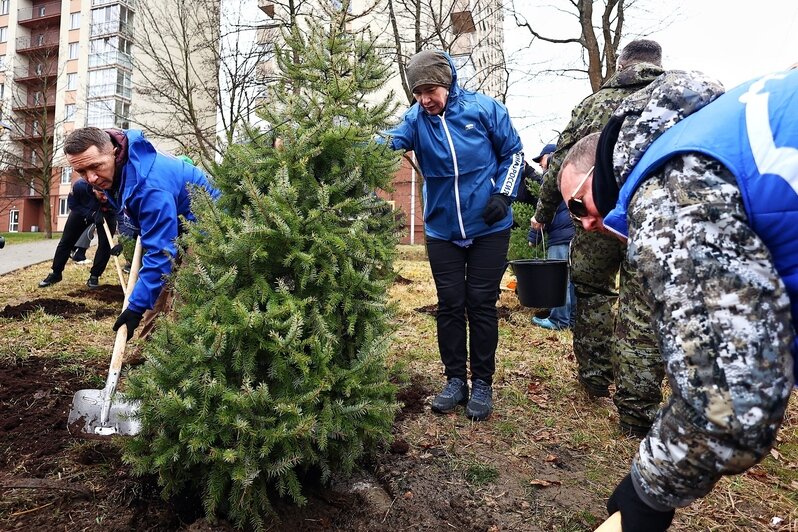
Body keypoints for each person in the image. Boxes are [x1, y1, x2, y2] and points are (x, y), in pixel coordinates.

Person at [558, 68, 795, 531]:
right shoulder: (709, 129)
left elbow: (731, 404)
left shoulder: (669, 186)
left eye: (576, 206)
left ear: (596, 173)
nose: (584, 224)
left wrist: (648, 491)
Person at [531, 39, 665, 437]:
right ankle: (636, 412)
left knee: (591, 291)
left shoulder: (592, 105)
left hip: (593, 218)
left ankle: (593, 377)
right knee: (642, 308)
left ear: (620, 64)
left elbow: (560, 162)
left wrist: (545, 213)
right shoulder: (667, 99)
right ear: (657, 64)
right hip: (651, 219)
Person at [385, 49, 524, 421]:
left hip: (489, 227)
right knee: (449, 304)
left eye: (430, 89)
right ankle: (454, 381)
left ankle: (482, 383)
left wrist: (503, 194)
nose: (425, 99)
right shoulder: (415, 120)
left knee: (480, 302)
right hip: (442, 229)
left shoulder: (484, 109)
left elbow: (514, 154)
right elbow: (388, 142)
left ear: (446, 82)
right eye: (418, 93)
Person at [63, 127, 219, 340]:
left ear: (115, 152)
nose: (91, 179)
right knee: (157, 286)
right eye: (81, 172)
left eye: (96, 167)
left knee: (186, 290)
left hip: (207, 223)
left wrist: (134, 308)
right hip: (177, 221)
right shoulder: (120, 169)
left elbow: (161, 250)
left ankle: (179, 357)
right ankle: (149, 351)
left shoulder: (148, 186)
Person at [527, 143, 575, 330]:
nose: (540, 164)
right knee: (571, 281)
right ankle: (571, 320)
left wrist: (533, 238)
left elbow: (544, 212)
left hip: (561, 236)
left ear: (551, 155)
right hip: (574, 235)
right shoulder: (571, 172)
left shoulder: (552, 176)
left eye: (542, 159)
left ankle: (558, 321)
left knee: (559, 280)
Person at [38, 179, 114, 289]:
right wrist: (91, 214)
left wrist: (122, 241)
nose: (105, 198)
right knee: (66, 241)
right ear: (93, 189)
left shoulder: (116, 190)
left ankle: (94, 276)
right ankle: (56, 273)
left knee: (105, 245)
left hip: (107, 213)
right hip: (81, 211)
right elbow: (72, 204)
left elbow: (122, 214)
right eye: (102, 194)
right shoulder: (80, 186)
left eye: (107, 194)